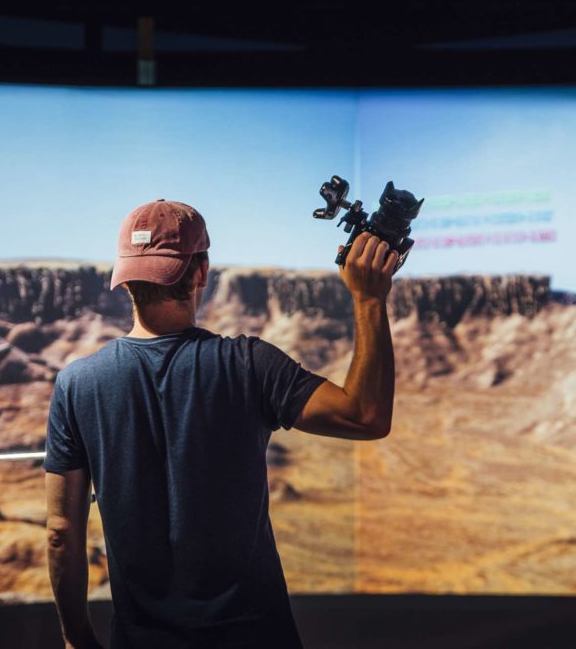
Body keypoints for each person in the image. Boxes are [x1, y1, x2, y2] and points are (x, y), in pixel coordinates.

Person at [44, 198, 398, 648]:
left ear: (126, 279)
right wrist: (369, 300)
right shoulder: (248, 365)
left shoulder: (77, 384)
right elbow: (365, 416)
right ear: (201, 272)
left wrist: (76, 639)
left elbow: (61, 532)